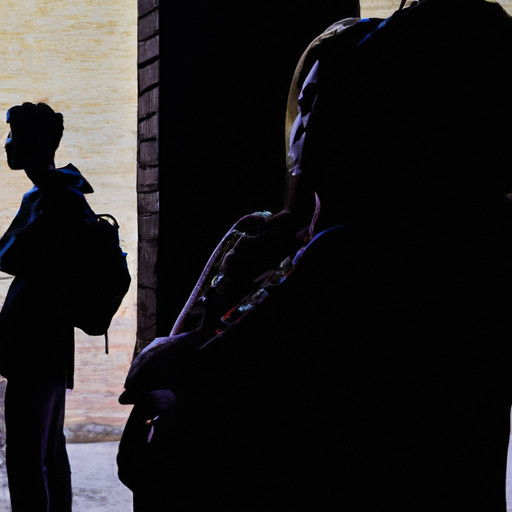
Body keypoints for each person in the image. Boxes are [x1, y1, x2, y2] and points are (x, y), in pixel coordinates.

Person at [119, 0, 512, 510]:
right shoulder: (474, 239)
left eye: (318, 102)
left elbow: (178, 376)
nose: (303, 126)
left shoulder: (345, 255)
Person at [0, 102, 94, 511]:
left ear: (30, 144)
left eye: (12, 136)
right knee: (50, 450)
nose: (6, 144)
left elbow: (10, 255)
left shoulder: (51, 200)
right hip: (49, 342)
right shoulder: (60, 194)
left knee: (25, 458)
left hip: (34, 346)